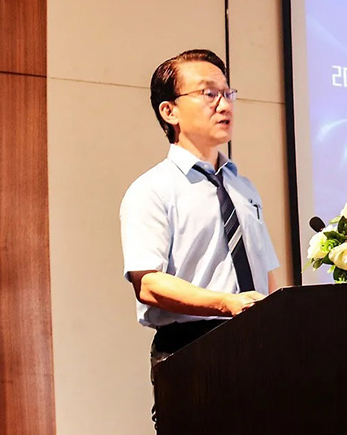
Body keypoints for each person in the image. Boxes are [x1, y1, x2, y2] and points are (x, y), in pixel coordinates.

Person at [119, 49, 280, 422]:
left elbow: (266, 271)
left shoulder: (243, 187)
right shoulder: (151, 190)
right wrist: (227, 304)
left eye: (228, 93)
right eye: (209, 94)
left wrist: (279, 324)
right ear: (169, 111)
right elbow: (149, 284)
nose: (224, 104)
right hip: (191, 349)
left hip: (258, 346)